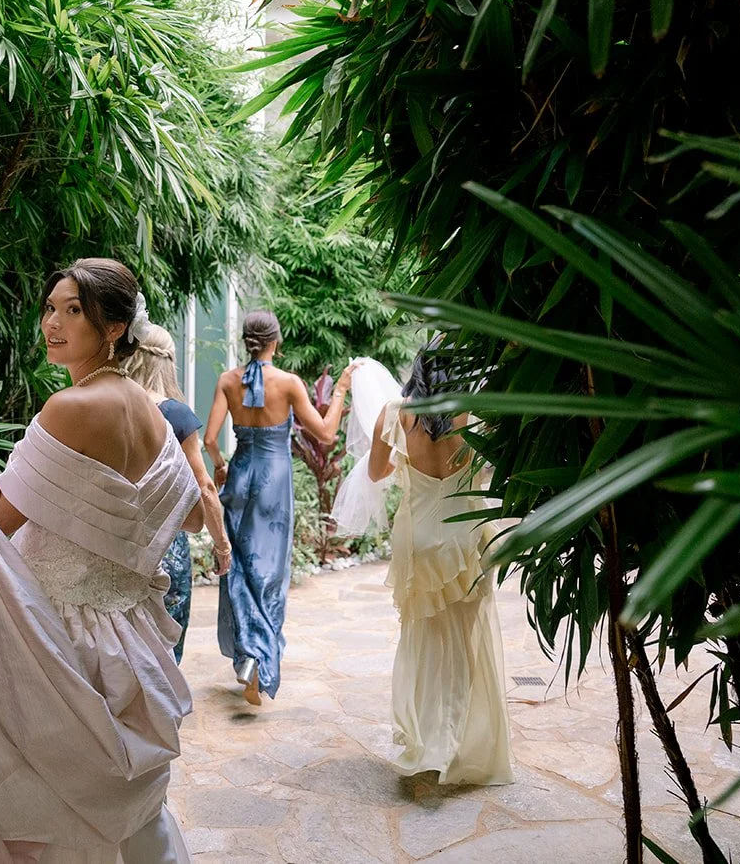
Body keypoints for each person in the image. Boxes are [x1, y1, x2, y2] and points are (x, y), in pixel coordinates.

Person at [0, 257, 202, 864]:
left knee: (49, 805)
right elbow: (180, 508)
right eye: (51, 308)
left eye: (74, 311)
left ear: (114, 328)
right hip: (127, 635)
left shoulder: (70, 409)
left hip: (58, 634)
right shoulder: (151, 411)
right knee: (118, 810)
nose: (53, 322)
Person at [365, 343, 513, 787]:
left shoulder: (395, 414)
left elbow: (375, 473)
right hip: (465, 538)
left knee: (422, 639)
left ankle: (428, 742)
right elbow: (494, 471)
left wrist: (407, 464)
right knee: (466, 645)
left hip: (419, 541)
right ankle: (454, 745)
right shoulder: (477, 414)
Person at [204, 311, 353, 705]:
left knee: (237, 565)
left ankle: (247, 656)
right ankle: (260, 659)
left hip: (239, 475)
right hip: (273, 481)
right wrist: (338, 391)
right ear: (276, 341)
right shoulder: (288, 383)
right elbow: (324, 433)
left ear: (245, 340)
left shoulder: (227, 381)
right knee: (269, 572)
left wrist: (219, 465)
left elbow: (208, 439)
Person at [121, 320, 231, 661]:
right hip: (165, 547)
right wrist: (222, 545)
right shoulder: (176, 414)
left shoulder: (111, 408)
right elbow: (205, 488)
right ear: (167, 362)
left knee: (124, 645)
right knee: (165, 648)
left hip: (115, 539)